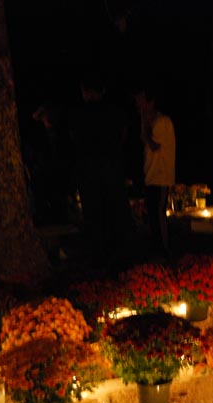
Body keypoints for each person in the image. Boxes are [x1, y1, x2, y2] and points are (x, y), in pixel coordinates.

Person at [67, 72, 135, 269]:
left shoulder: (78, 113)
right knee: (115, 211)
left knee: (94, 214)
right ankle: (119, 255)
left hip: (89, 170)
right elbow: (123, 136)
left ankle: (100, 255)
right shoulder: (115, 112)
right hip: (111, 168)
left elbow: (74, 139)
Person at [134, 88, 176, 258]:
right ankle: (157, 248)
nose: (138, 105)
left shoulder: (162, 122)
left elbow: (153, 145)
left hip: (160, 176)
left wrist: (143, 124)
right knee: (152, 214)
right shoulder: (154, 122)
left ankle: (164, 250)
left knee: (158, 214)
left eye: (140, 101)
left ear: (150, 102)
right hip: (152, 176)